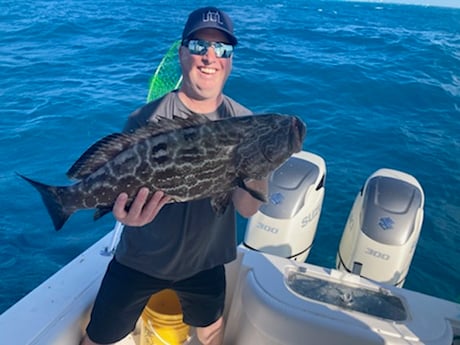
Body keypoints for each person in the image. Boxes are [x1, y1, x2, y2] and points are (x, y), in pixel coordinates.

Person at [81, 6, 267, 345]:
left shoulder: (247, 124)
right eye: (199, 46)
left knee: (210, 332)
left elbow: (247, 209)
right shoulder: (145, 119)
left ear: (230, 61)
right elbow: (116, 181)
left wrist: (258, 163)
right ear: (182, 53)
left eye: (222, 49)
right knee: (99, 337)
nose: (210, 57)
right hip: (139, 257)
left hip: (205, 262)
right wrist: (123, 217)